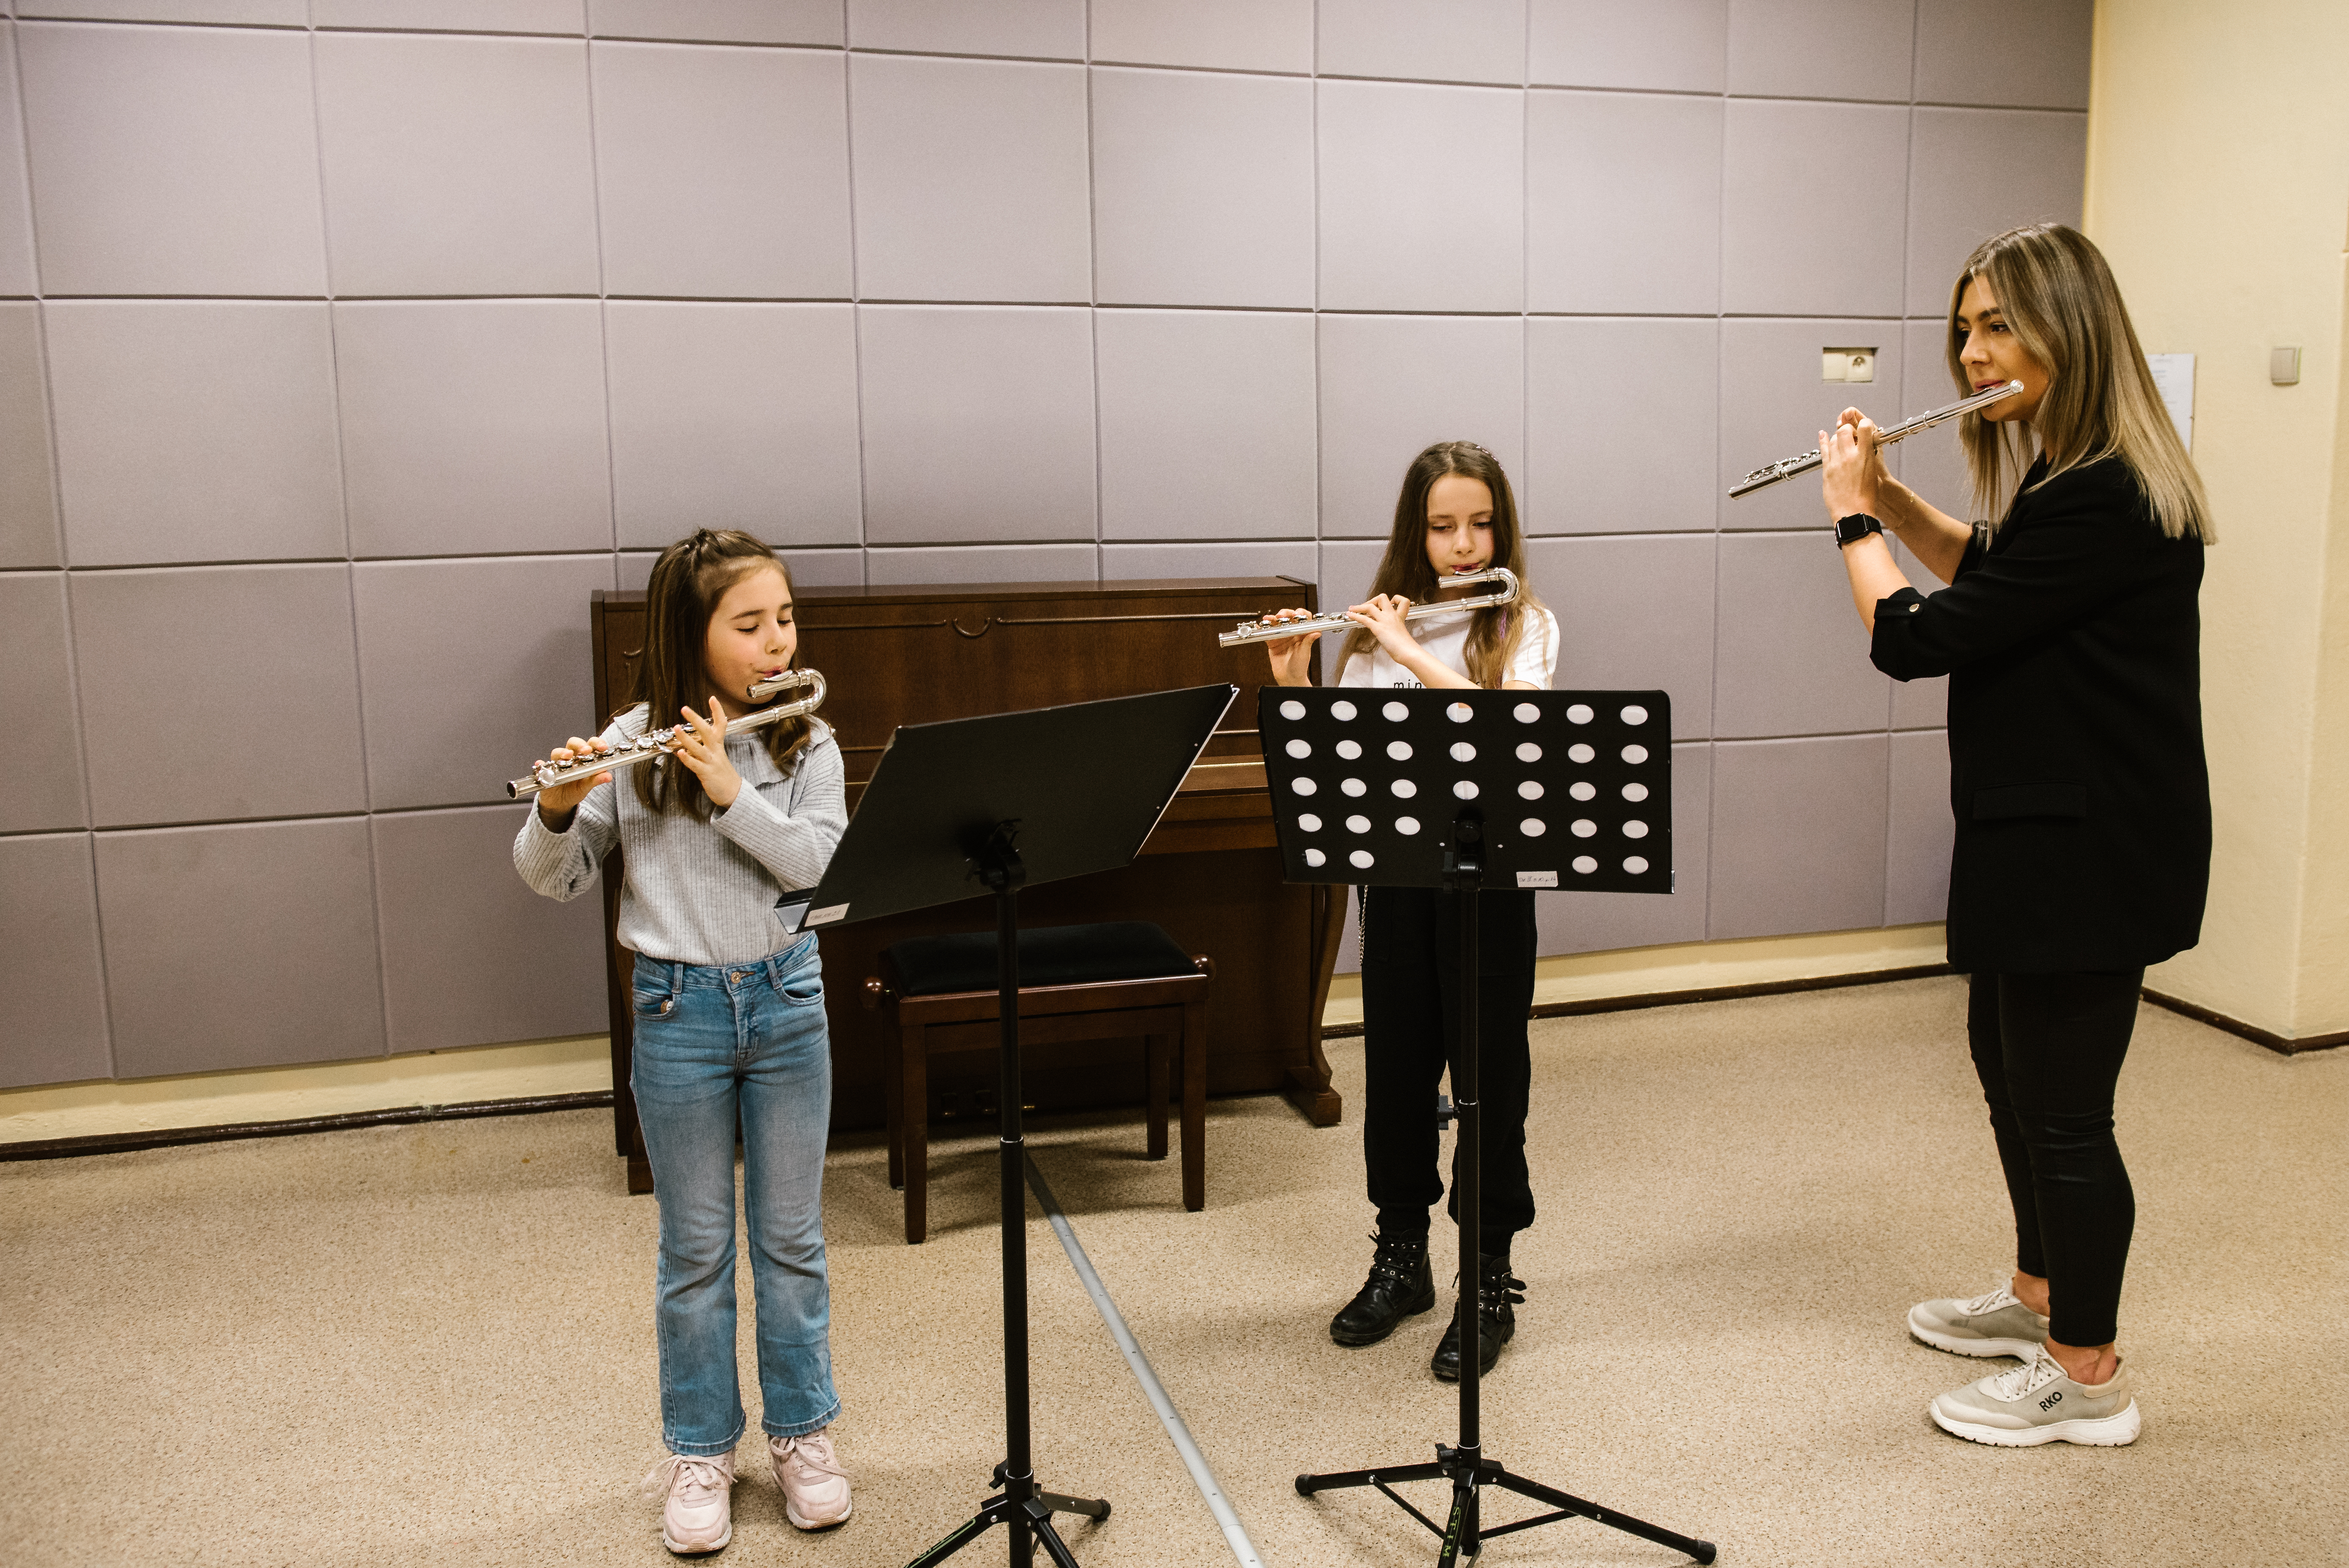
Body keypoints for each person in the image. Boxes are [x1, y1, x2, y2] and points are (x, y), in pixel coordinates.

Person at [1818, 223, 2212, 1447]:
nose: (1971, 351)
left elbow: (1917, 639)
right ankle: (2039, 1297)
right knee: (2007, 1072)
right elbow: (1990, 571)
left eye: (1998, 324)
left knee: (2064, 1111)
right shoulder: (2064, 477)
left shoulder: (2105, 492)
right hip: (2033, 825)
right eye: (1966, 326)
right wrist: (1889, 493)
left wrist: (1847, 522)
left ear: (2068, 327)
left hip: (2088, 846)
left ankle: (2085, 1373)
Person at [513, 530, 854, 1550]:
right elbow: (552, 876)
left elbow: (818, 868)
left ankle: (802, 1434)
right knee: (694, 1251)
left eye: (783, 617)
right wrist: (559, 807)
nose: (775, 641)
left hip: (788, 1003)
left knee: (791, 1243)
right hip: (676, 1014)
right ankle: (701, 1447)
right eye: (748, 625)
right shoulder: (631, 743)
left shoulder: (808, 739)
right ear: (688, 637)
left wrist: (730, 791)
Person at [1256, 441, 1559, 1381]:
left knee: (1489, 1086)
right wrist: (1289, 678)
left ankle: (1490, 1278)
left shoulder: (1527, 626)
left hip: (1489, 892)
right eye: (1441, 527)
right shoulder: (1373, 633)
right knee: (1393, 1084)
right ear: (1414, 534)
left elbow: (1506, 736)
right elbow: (1336, 772)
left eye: (1478, 525)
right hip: (1396, 888)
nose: (1462, 546)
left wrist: (1406, 654)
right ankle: (1403, 1259)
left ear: (1499, 528)